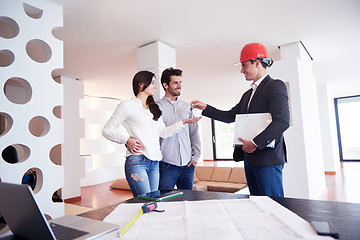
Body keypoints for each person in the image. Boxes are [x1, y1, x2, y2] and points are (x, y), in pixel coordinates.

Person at [191, 43, 290, 197]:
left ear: (257, 63)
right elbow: (230, 116)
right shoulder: (247, 95)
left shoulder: (275, 86)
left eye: (244, 65)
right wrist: (206, 108)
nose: (241, 70)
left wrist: (255, 143)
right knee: (257, 204)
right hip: (249, 159)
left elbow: (282, 121)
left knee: (273, 204)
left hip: (267, 160)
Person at [102, 71, 201, 197]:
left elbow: (163, 132)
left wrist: (184, 122)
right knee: (145, 201)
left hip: (154, 162)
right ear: (141, 84)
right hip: (137, 161)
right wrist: (126, 140)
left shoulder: (153, 108)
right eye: (153, 82)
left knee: (154, 201)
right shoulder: (127, 105)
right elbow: (107, 130)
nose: (155, 86)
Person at [156, 68, 201, 190]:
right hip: (166, 165)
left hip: (187, 165)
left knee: (188, 201)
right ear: (165, 85)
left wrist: (195, 157)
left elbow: (194, 134)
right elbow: (157, 135)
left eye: (180, 82)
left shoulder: (187, 107)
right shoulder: (156, 107)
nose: (179, 86)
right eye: (175, 83)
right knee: (165, 202)